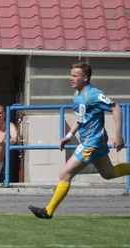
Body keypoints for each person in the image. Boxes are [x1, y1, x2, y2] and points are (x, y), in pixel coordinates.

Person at [29, 62, 130, 219]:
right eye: (71, 75)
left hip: (92, 142)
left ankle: (48, 211)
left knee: (65, 173)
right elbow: (81, 119)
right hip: (93, 140)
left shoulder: (93, 95)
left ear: (85, 78)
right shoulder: (78, 96)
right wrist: (68, 136)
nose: (71, 78)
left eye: (75, 76)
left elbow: (116, 108)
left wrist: (118, 135)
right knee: (108, 173)